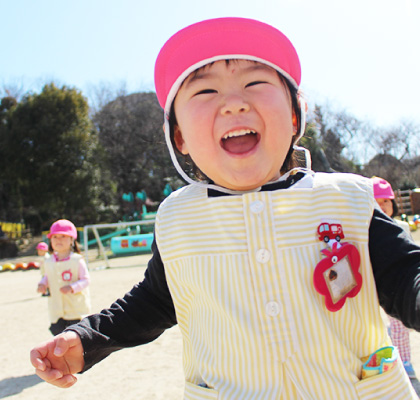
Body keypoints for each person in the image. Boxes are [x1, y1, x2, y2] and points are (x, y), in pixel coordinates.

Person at [30, 17, 420, 399]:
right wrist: (88, 338)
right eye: (204, 92)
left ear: (295, 115)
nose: (234, 103)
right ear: (179, 135)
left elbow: (406, 274)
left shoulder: (347, 199)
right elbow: (153, 301)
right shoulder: (178, 220)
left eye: (255, 82)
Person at [372, 176, 417, 379]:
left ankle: (404, 362)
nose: (382, 206)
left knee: (399, 325)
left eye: (385, 201)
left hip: (392, 288)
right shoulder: (362, 229)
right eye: (376, 202)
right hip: (371, 288)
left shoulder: (401, 227)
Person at [36, 219, 91, 335]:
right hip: (57, 311)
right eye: (55, 237)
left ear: (72, 240)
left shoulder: (77, 260)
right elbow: (47, 276)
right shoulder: (49, 261)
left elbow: (86, 280)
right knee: (59, 336)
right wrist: (43, 284)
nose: (58, 240)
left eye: (63, 236)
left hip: (75, 309)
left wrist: (72, 287)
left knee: (76, 338)